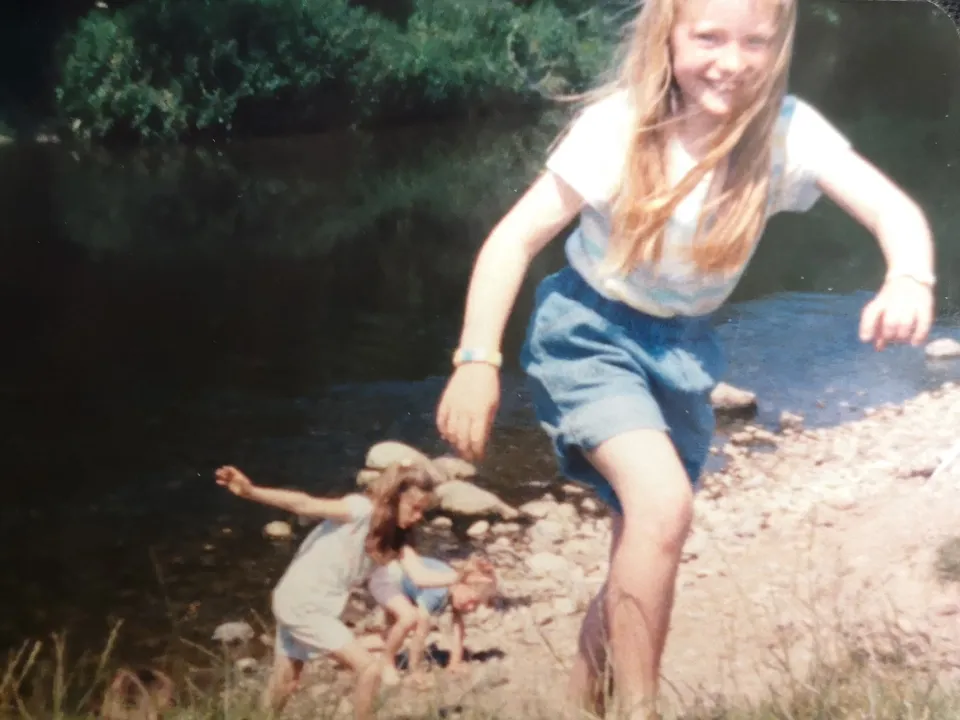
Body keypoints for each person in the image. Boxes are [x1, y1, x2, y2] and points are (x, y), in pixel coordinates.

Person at [434, 0, 937, 715]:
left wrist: (908, 275)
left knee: (642, 546)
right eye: (708, 37)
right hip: (589, 333)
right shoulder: (618, 126)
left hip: (686, 354)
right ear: (666, 34)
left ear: (778, 44)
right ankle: (642, 709)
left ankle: (583, 704)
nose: (731, 62)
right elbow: (511, 241)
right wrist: (477, 360)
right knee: (663, 508)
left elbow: (894, 211)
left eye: (754, 41)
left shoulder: (785, 130)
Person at [214, 461, 460, 720]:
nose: (418, 516)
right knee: (369, 669)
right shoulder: (361, 509)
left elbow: (419, 575)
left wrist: (459, 575)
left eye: (423, 510)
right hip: (303, 602)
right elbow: (305, 503)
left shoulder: (397, 535)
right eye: (415, 508)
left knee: (285, 683)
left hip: (309, 603)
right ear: (395, 498)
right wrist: (251, 491)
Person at [367, 554, 498, 684]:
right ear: (461, 585)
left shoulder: (454, 590)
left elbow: (458, 628)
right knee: (410, 620)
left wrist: (455, 662)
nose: (470, 608)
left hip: (399, 584)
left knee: (392, 637)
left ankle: (356, 649)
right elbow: (421, 629)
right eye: (471, 600)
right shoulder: (439, 591)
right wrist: (415, 669)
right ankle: (388, 663)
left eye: (476, 605)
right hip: (387, 579)